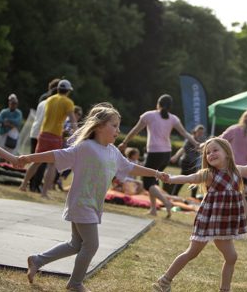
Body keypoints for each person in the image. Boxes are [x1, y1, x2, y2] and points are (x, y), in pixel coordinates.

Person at [21, 103, 168, 292]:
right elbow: (56, 155)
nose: (117, 130)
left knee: (76, 244)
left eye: (118, 126)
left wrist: (156, 173)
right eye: (114, 125)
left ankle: (37, 260)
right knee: (91, 245)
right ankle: (75, 284)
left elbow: (131, 167)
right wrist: (29, 158)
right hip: (81, 203)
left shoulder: (113, 151)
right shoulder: (85, 147)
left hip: (91, 205)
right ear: (99, 126)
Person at [152, 137, 247, 292]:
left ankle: (224, 289)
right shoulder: (208, 174)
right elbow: (189, 178)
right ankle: (164, 281)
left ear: (227, 153)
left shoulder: (237, 171)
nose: (211, 154)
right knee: (192, 253)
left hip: (224, 222)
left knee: (231, 257)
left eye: (215, 150)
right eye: (208, 152)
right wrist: (170, 178)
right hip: (210, 220)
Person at [118, 94, 197, 216]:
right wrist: (196, 143)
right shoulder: (173, 118)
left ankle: (166, 202)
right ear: (170, 107)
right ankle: (153, 209)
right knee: (153, 180)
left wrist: (125, 142)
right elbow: (185, 133)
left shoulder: (149, 115)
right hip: (166, 154)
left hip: (155, 153)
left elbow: (135, 130)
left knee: (147, 181)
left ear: (158, 104)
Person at [20, 79, 77, 198]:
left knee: (36, 161)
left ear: (58, 89)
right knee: (52, 165)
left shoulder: (49, 100)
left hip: (43, 133)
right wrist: (77, 133)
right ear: (68, 91)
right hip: (55, 135)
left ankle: (24, 185)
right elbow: (72, 120)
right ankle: (44, 193)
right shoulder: (68, 102)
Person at [220, 110, 247, 223]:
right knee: (241, 197)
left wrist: (205, 146)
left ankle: (224, 218)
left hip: (226, 168)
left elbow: (219, 141)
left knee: (223, 193)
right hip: (244, 172)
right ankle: (241, 223)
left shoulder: (233, 129)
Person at [28, 78, 60, 193]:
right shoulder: (53, 103)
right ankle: (35, 185)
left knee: (34, 160)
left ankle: (31, 184)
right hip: (43, 133)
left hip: (34, 131)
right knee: (41, 161)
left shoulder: (42, 100)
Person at [169, 124, 205, 197]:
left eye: (202, 133)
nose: (200, 134)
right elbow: (183, 149)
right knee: (184, 179)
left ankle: (192, 196)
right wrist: (176, 156)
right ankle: (174, 195)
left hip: (193, 163)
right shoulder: (190, 139)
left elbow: (202, 150)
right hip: (186, 162)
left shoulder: (202, 140)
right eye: (199, 132)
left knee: (195, 179)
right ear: (195, 132)